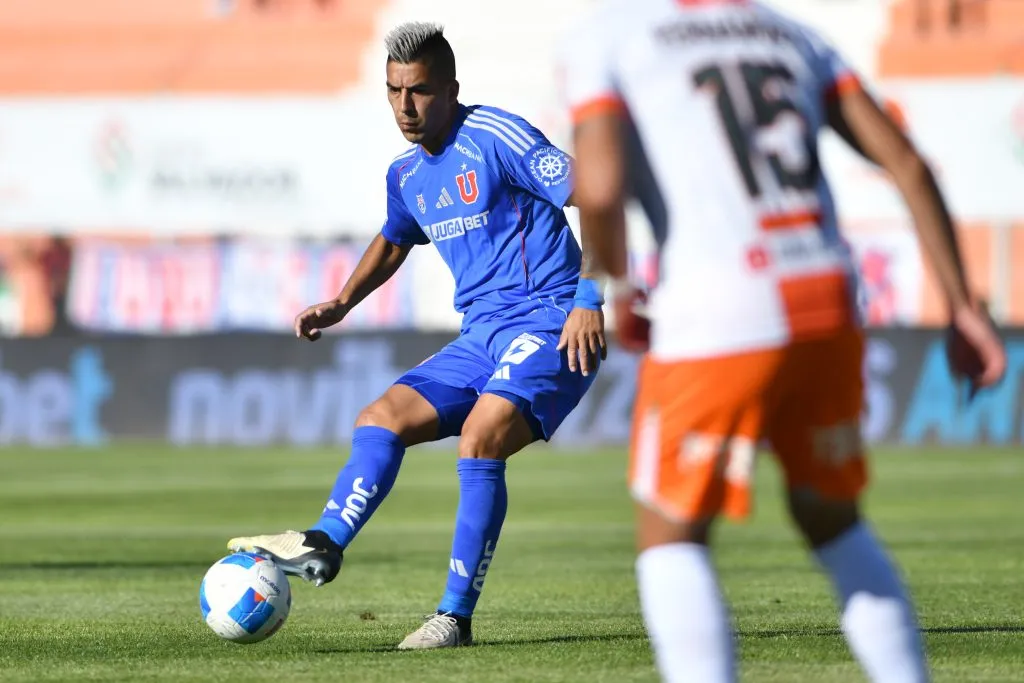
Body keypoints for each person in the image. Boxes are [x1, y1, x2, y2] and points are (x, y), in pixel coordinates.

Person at [561, 1, 1007, 681]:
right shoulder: (793, 34)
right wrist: (962, 307)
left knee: (670, 534)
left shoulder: (612, 36)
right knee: (831, 518)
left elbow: (598, 186)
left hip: (718, 307)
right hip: (826, 297)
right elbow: (909, 165)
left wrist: (613, 288)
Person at [228, 22, 605, 650]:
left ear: (452, 88)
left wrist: (590, 300)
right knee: (382, 416)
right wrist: (343, 302)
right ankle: (324, 539)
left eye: (421, 91)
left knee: (481, 438)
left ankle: (453, 618)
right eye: (394, 91)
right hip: (481, 335)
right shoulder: (406, 174)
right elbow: (396, 235)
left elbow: (595, 194)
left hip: (551, 322)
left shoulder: (497, 136)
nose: (405, 106)